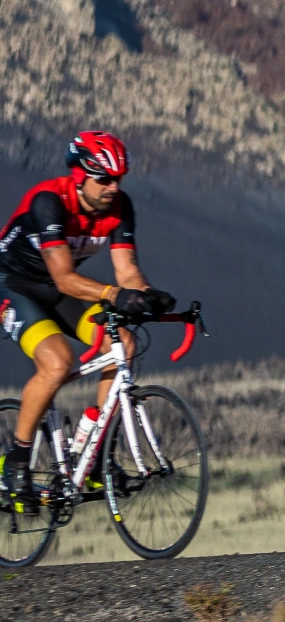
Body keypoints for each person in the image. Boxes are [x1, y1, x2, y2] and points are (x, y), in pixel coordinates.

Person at [1, 131, 176, 509]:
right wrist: (114, 295)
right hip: (14, 286)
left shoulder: (119, 208)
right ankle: (16, 461)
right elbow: (64, 276)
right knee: (57, 362)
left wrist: (146, 296)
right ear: (79, 175)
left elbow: (126, 270)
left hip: (63, 292)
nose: (114, 187)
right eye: (105, 179)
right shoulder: (49, 202)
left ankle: (94, 457)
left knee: (124, 345)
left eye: (119, 179)